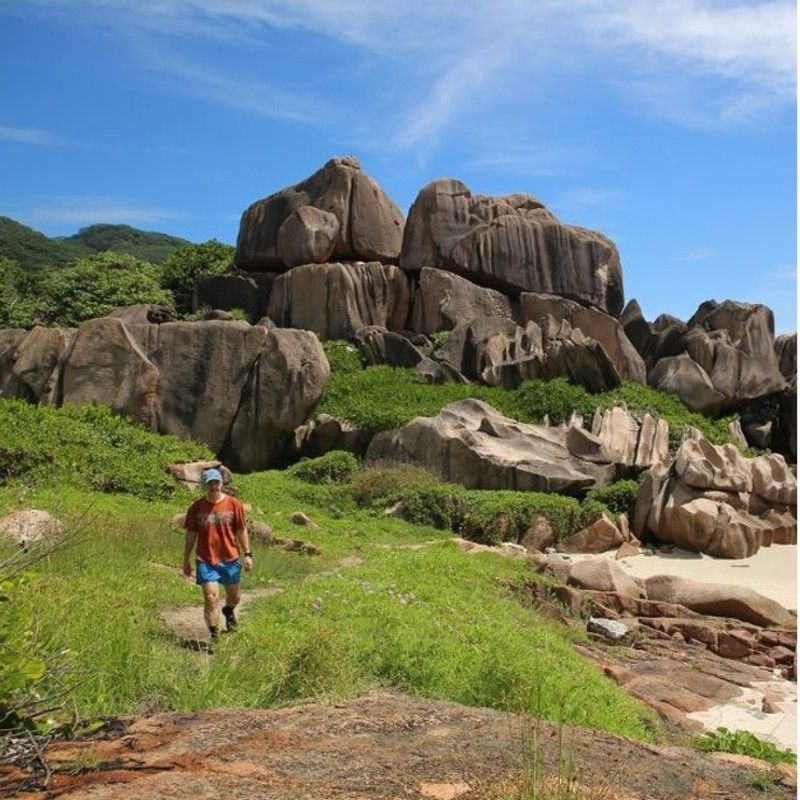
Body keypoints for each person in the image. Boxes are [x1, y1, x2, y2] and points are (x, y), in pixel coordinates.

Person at [183, 468, 252, 640]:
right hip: (205, 559)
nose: (214, 486)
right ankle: (214, 636)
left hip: (230, 557)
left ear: (221, 483)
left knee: (235, 597)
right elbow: (191, 534)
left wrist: (248, 554)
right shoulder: (196, 507)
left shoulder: (234, 504)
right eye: (210, 483)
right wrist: (186, 560)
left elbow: (241, 530)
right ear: (205, 485)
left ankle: (228, 611)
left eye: (216, 482)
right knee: (211, 597)